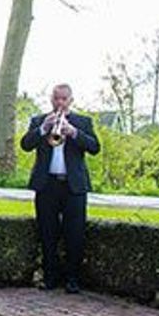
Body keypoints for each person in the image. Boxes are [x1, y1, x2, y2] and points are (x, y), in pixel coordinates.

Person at [20, 83, 101, 294]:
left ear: (71, 100)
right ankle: (50, 278)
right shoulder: (39, 121)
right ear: (51, 99)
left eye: (64, 99)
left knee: (75, 234)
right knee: (47, 232)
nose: (60, 103)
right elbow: (26, 144)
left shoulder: (83, 122)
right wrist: (43, 129)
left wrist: (73, 132)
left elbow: (94, 147)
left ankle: (72, 279)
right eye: (56, 98)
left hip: (74, 186)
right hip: (47, 185)